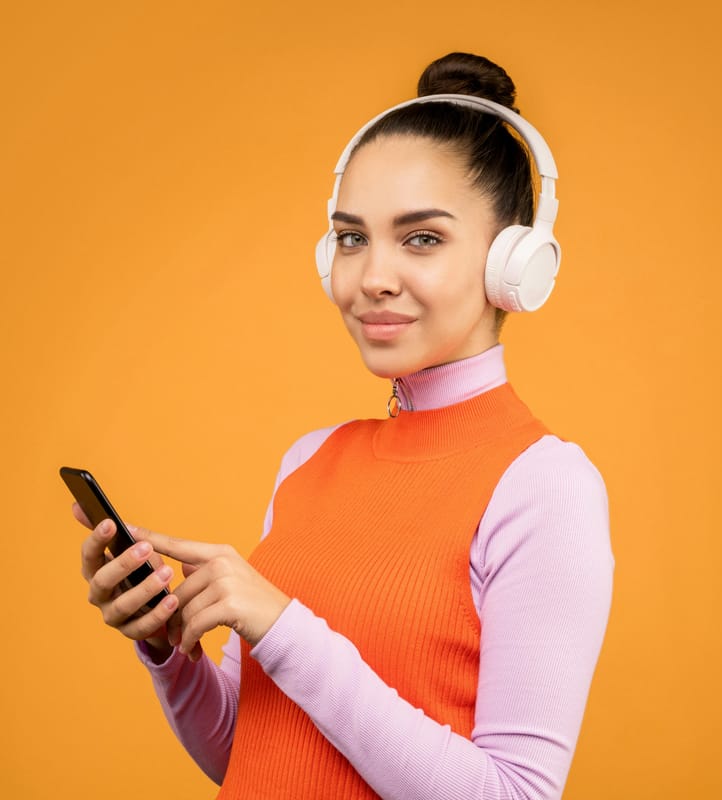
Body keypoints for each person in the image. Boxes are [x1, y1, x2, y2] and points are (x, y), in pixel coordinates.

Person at [75, 52, 614, 800]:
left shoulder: (545, 485)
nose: (371, 278)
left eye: (421, 238)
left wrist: (284, 626)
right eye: (353, 238)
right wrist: (173, 655)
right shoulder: (309, 461)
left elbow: (514, 794)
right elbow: (248, 755)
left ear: (512, 263)